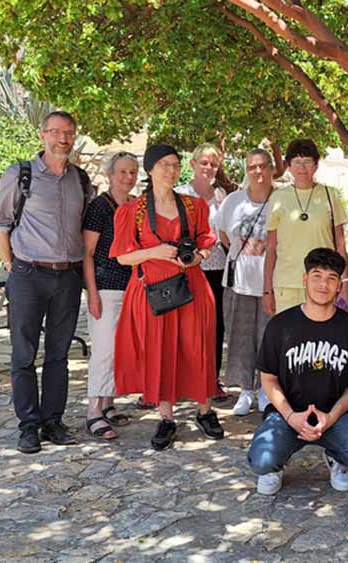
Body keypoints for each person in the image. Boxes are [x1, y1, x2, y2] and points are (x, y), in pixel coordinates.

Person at [0, 110, 91, 454]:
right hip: (29, 275)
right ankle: (29, 425)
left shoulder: (81, 179)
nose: (63, 139)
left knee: (59, 354)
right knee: (23, 354)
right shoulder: (21, 175)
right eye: (56, 132)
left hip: (68, 276)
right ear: (43, 135)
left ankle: (53, 421)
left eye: (69, 133)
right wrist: (10, 264)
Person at [110, 144, 225, 451]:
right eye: (164, 164)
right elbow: (122, 257)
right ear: (149, 169)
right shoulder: (131, 211)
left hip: (192, 287)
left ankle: (205, 410)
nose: (171, 170)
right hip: (152, 290)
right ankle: (166, 417)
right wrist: (154, 252)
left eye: (175, 164)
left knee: (198, 348)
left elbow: (206, 241)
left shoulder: (193, 205)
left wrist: (199, 255)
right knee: (159, 351)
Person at [248, 248, 348, 496]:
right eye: (317, 275)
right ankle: (276, 465)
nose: (323, 284)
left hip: (337, 416)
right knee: (262, 461)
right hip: (287, 414)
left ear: (339, 285)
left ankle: (336, 456)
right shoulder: (280, 326)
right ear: (304, 279)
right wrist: (290, 416)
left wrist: (330, 417)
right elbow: (268, 379)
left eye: (331, 278)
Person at [81, 151, 139, 440]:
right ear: (110, 175)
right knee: (104, 350)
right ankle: (93, 410)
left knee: (121, 349)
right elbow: (88, 253)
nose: (128, 177)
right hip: (106, 286)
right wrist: (92, 292)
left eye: (133, 172)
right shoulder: (99, 207)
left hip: (132, 287)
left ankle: (108, 402)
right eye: (123, 172)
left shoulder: (135, 205)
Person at [262, 139, 348, 318]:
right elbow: (271, 248)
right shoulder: (278, 197)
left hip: (323, 283)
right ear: (289, 165)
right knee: (288, 342)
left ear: (316, 165)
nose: (302, 168)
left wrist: (346, 282)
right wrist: (267, 291)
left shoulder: (330, 195)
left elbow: (340, 245)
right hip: (287, 285)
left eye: (308, 161)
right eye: (297, 162)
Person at [218, 149, 277, 417]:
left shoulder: (282, 200)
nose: (258, 172)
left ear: (272, 168)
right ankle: (245, 390)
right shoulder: (233, 201)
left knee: (269, 338)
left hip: (272, 282)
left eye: (263, 166)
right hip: (239, 281)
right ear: (246, 170)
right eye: (252, 167)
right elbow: (223, 235)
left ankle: (266, 389)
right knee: (240, 338)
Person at [175, 143, 231, 402]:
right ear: (193, 165)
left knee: (214, 326)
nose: (208, 168)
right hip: (184, 269)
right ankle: (181, 378)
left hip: (215, 267)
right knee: (182, 324)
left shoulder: (223, 197)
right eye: (204, 163)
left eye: (213, 164)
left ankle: (211, 379)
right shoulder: (179, 195)